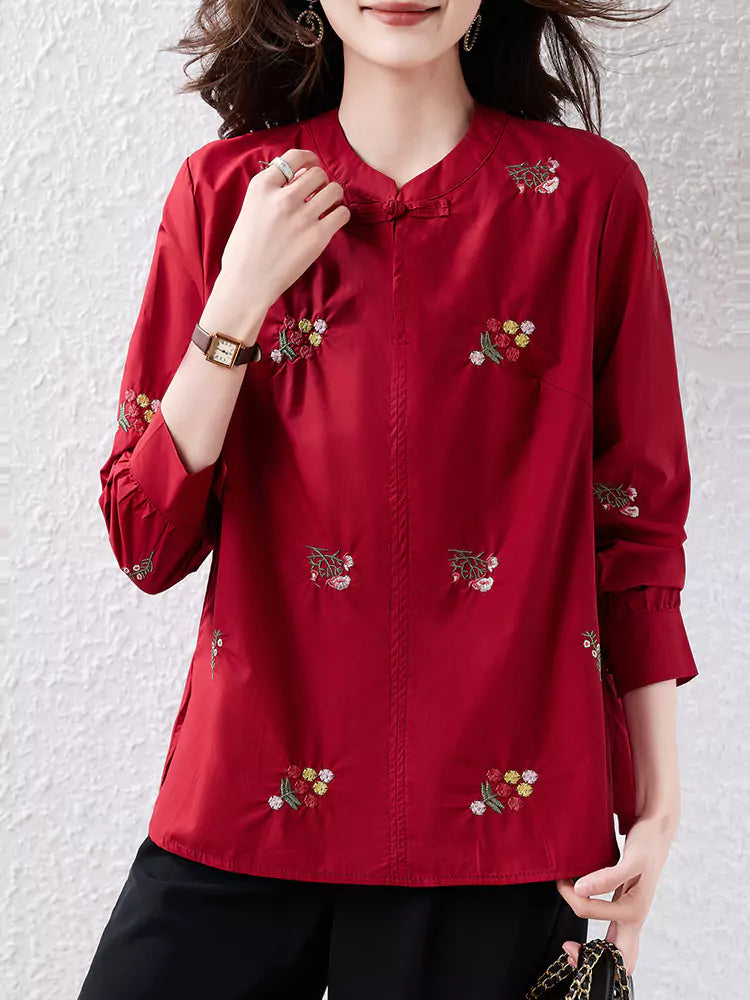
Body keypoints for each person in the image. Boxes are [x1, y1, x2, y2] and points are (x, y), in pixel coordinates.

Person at [77, 1, 699, 998]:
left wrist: (657, 809)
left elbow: (635, 519)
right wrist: (240, 294)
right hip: (247, 802)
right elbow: (146, 541)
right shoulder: (226, 192)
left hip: (501, 827)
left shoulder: (588, 197)